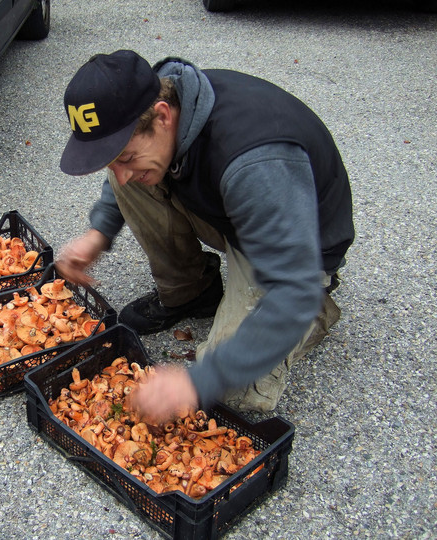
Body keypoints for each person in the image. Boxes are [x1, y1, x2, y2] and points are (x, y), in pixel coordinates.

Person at [55, 50, 354, 417]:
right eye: (111, 160)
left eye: (126, 157)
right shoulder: (162, 109)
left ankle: (316, 314)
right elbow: (123, 168)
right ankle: (192, 292)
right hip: (234, 210)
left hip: (296, 255)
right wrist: (99, 232)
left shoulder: (252, 161)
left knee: (233, 391)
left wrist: (196, 381)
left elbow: (294, 290)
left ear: (162, 116)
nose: (120, 174)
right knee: (132, 174)